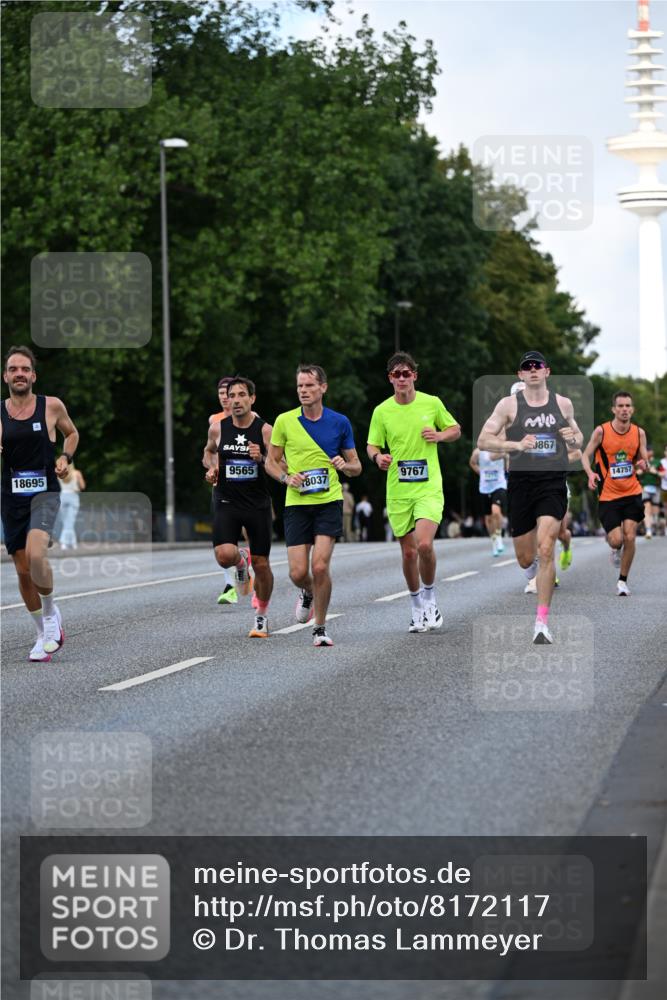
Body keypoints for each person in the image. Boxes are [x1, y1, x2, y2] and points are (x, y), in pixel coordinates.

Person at [478, 351, 583, 643]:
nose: (533, 370)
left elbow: (578, 438)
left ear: (547, 371)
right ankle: (533, 572)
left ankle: (541, 623)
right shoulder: (508, 405)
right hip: (521, 484)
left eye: (538, 366)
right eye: (527, 367)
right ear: (520, 375)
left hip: (552, 482)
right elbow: (483, 440)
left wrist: (571, 437)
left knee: (546, 546)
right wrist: (517, 444)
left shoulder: (563, 403)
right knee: (526, 559)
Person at [266, 364, 362, 647]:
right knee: (298, 572)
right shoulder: (285, 421)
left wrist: (346, 466)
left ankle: (320, 627)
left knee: (319, 567)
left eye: (309, 385)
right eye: (300, 386)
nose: (304, 391)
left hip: (328, 501)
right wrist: (285, 477)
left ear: (323, 387)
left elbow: (357, 466)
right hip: (296, 503)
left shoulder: (339, 422)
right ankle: (308, 591)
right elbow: (271, 461)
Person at [367, 352, 461, 633]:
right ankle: (416, 605)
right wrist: (378, 458)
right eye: (396, 374)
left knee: (424, 545)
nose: (402, 379)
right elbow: (372, 445)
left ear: (414, 376)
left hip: (428, 488)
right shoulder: (381, 411)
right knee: (408, 553)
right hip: (398, 491)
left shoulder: (431, 403)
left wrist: (440, 436)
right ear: (390, 379)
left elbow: (455, 429)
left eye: (406, 373)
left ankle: (430, 597)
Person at [1, 345, 79, 662]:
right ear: (5, 376)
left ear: (33, 375)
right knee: (22, 571)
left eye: (25, 369)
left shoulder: (51, 406)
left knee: (36, 555)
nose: (19, 373)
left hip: (44, 492)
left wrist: (64, 457)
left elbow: (71, 434)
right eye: (13, 369)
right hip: (11, 496)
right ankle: (40, 633)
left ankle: (50, 618)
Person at [203, 376, 274, 637]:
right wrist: (212, 468)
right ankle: (240, 561)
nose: (235, 400)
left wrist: (263, 457)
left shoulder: (265, 430)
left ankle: (261, 615)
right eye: (231, 396)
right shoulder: (217, 428)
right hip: (226, 499)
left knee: (263, 563)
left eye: (241, 395)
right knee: (224, 556)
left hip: (256, 503)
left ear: (252, 398)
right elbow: (209, 451)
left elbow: (283, 465)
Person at [581, 390, 649, 596]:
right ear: (614, 409)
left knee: (630, 536)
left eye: (628, 406)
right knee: (617, 540)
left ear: (633, 409)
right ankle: (614, 547)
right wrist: (590, 473)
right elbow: (585, 455)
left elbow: (643, 460)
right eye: (620, 406)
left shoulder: (639, 433)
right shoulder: (601, 431)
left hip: (632, 492)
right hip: (609, 496)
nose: (624, 409)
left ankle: (622, 581)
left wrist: (642, 463)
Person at [469, 447, 507, 557]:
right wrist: (481, 472)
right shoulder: (478, 452)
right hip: (484, 488)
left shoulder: (500, 448)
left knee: (496, 511)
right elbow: (472, 463)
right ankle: (494, 541)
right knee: (488, 518)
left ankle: (499, 536)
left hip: (499, 485)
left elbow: (507, 457)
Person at [58, 461, 86, 549]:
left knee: (67, 522)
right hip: (73, 496)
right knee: (70, 521)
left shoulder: (59, 474)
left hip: (62, 496)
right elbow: (82, 486)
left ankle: (72, 543)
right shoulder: (77, 473)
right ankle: (64, 542)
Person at [637, 446, 661, 539]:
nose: (647, 452)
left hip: (656, 488)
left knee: (655, 513)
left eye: (648, 451)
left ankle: (654, 525)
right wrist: (642, 470)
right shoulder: (641, 462)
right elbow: (636, 473)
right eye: (646, 451)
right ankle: (648, 530)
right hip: (645, 488)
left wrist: (655, 472)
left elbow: (663, 474)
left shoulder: (658, 462)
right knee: (647, 509)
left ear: (652, 452)